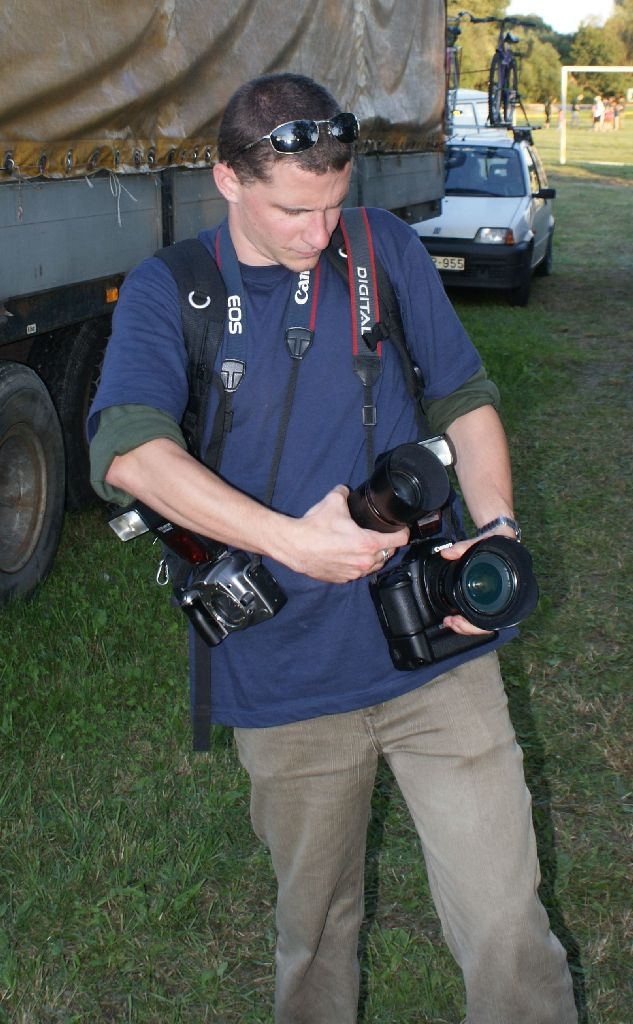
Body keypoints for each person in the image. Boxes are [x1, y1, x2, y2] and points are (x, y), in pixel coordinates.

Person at [88, 73, 578, 1024]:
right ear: (226, 179)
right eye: (292, 210)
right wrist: (290, 544)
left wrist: (498, 529)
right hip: (285, 678)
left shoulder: (381, 247)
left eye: (333, 205)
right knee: (312, 939)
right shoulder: (172, 287)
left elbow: (463, 400)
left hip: (436, 647)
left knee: (508, 927)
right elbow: (128, 450)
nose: (318, 235)